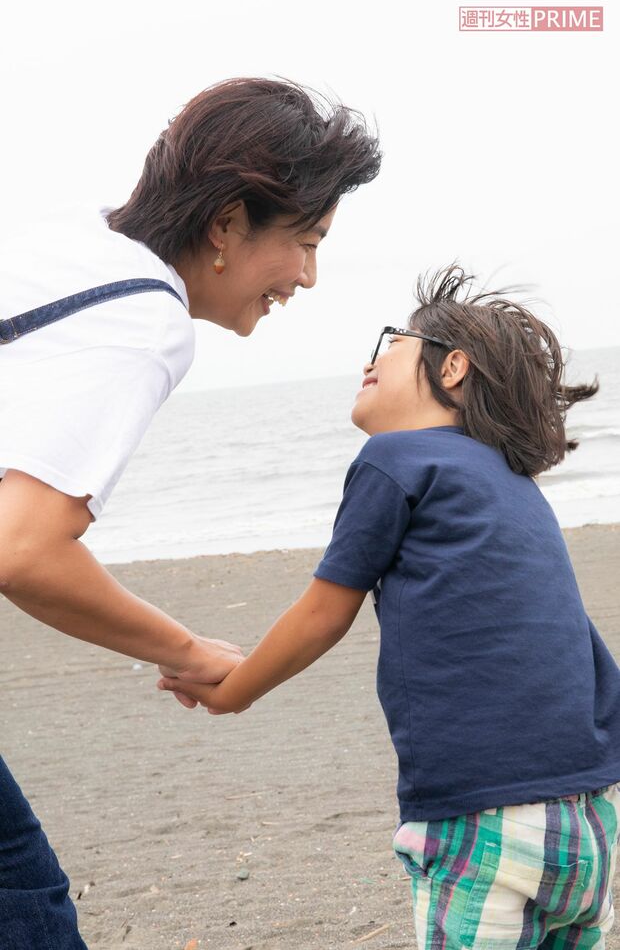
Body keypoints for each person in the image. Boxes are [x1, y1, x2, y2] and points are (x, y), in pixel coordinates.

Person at [0, 76, 381, 947]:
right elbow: (23, 550)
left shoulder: (72, 238)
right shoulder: (146, 318)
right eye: (306, 241)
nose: (310, 277)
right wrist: (188, 649)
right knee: (21, 896)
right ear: (226, 225)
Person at [159, 265, 620, 948]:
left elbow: (325, 611)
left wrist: (235, 689)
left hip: (484, 816)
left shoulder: (396, 459)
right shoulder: (514, 484)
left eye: (391, 342)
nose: (368, 360)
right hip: (593, 820)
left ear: (452, 366)